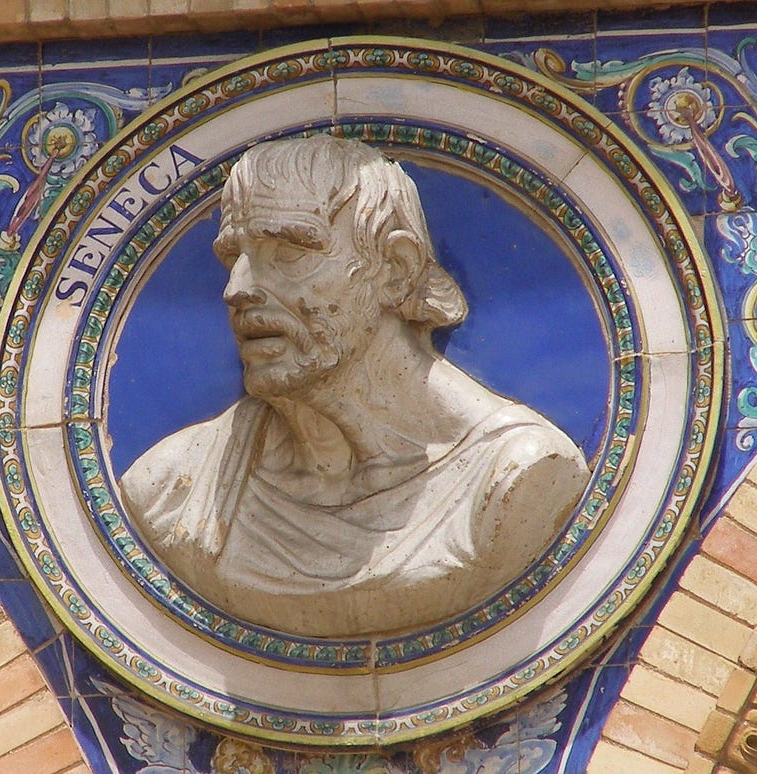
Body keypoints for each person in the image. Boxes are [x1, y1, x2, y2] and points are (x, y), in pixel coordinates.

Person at [119, 135, 590, 637]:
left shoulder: (516, 478)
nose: (237, 289)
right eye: (234, 256)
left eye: (289, 251)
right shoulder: (172, 486)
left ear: (395, 269)